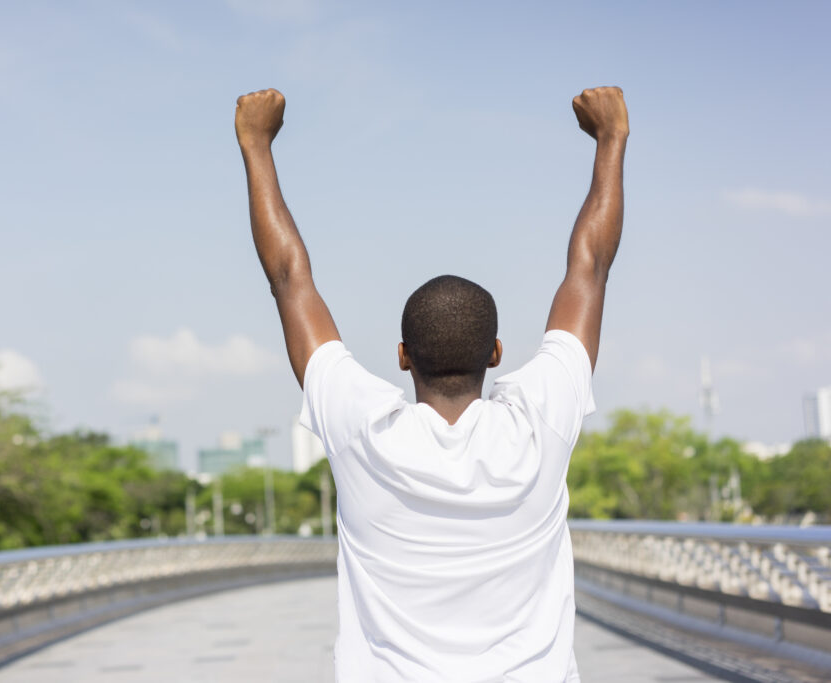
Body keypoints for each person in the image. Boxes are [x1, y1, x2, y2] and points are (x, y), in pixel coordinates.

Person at [235, 86, 628, 682]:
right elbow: (590, 268)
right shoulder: (538, 424)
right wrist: (611, 140)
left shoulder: (363, 431)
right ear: (496, 354)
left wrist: (255, 144)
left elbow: (290, 279)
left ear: (402, 356)